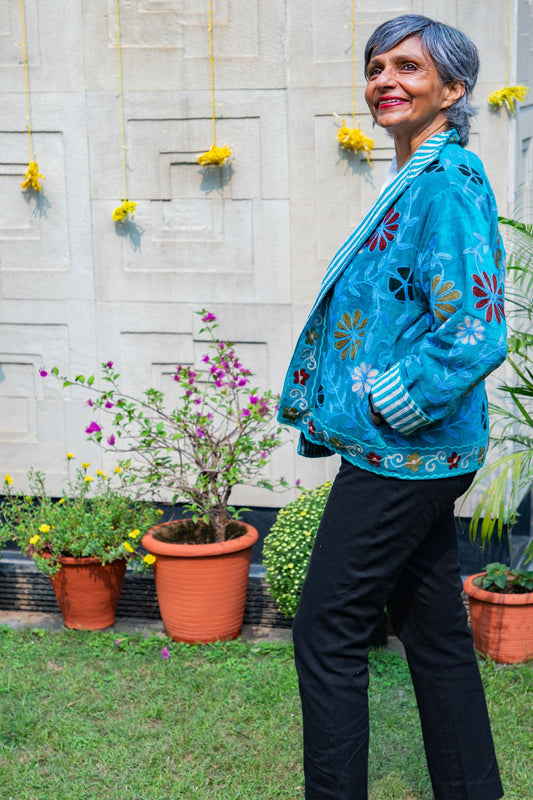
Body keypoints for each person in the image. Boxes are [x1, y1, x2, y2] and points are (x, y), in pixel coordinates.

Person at [278, 14, 506, 800]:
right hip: (413, 450)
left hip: (404, 451)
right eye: (376, 67)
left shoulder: (445, 183)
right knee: (434, 632)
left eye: (408, 67)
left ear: (452, 88)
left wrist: (389, 402)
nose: (385, 80)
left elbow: (474, 329)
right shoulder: (416, 178)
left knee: (327, 628)